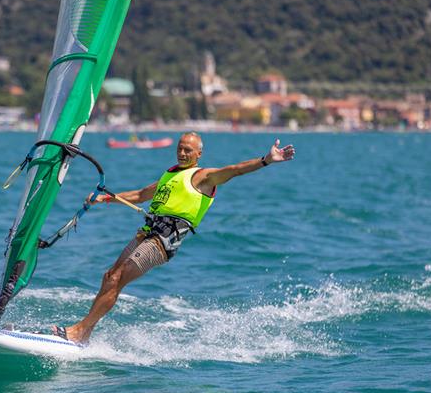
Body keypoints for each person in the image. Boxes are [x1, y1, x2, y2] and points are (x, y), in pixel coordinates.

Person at [53, 132, 295, 344]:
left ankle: (79, 331)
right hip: (147, 234)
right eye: (179, 148)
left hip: (163, 242)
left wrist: (266, 160)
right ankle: (84, 333)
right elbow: (139, 194)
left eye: (188, 150)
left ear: (198, 154)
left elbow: (234, 170)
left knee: (118, 278)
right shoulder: (169, 176)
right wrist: (105, 198)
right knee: (109, 277)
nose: (182, 153)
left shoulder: (203, 176)